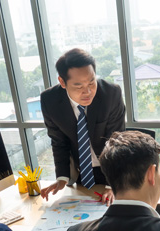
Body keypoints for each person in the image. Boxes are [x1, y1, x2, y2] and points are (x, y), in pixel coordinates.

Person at [40, 48, 125, 204]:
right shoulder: (49, 100)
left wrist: (111, 184)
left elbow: (117, 142)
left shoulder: (111, 94)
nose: (88, 91)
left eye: (92, 82)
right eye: (79, 86)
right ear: (62, 82)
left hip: (111, 169)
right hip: (81, 172)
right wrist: (61, 178)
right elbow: (58, 141)